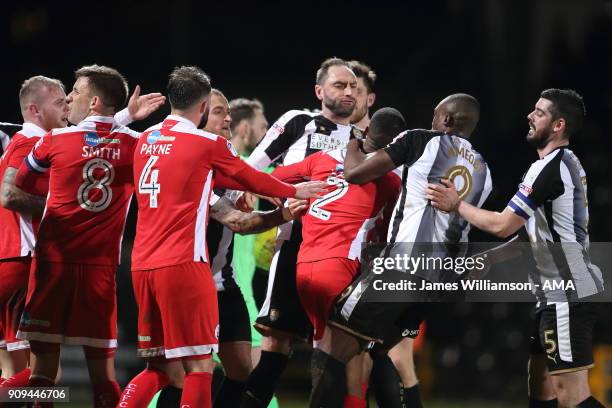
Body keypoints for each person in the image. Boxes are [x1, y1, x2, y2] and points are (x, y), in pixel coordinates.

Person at [120, 66, 324, 408]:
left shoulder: (146, 139)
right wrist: (291, 192)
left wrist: (125, 116)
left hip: (144, 266)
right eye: (218, 111)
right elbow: (248, 182)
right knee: (198, 368)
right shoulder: (205, 146)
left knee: (167, 367)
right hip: (185, 265)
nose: (226, 119)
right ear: (200, 110)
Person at [426, 89, 605, 408]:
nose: (530, 116)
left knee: (571, 398)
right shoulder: (564, 164)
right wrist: (494, 257)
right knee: (540, 388)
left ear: (558, 125)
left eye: (540, 112)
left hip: (567, 293)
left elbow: (501, 224)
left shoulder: (548, 168)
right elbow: (532, 232)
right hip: (554, 294)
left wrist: (457, 205)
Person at [311, 93, 492, 406]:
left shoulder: (421, 140)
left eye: (436, 115)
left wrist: (355, 137)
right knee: (381, 350)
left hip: (401, 268)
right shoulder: (485, 173)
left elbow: (355, 173)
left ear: (446, 120)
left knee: (334, 344)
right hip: (438, 283)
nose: (432, 121)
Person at [12, 65, 164, 408]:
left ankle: (8, 394)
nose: (68, 98)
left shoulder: (53, 140)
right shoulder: (137, 145)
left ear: (94, 101)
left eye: (76, 92)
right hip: (100, 270)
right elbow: (107, 138)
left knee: (42, 374)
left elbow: (21, 182)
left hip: (52, 266)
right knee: (103, 377)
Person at [240, 57, 359, 408]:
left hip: (341, 256)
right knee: (276, 344)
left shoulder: (363, 141)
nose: (349, 91)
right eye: (340, 85)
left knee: (338, 350)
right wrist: (287, 199)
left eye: (353, 86)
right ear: (319, 91)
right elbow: (250, 170)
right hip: (294, 245)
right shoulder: (299, 122)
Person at [272, 107, 405, 408]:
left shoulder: (323, 158)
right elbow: (385, 234)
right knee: (355, 353)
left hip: (303, 266)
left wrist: (292, 194)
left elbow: (274, 176)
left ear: (367, 132)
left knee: (327, 347)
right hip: (341, 268)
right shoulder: (390, 180)